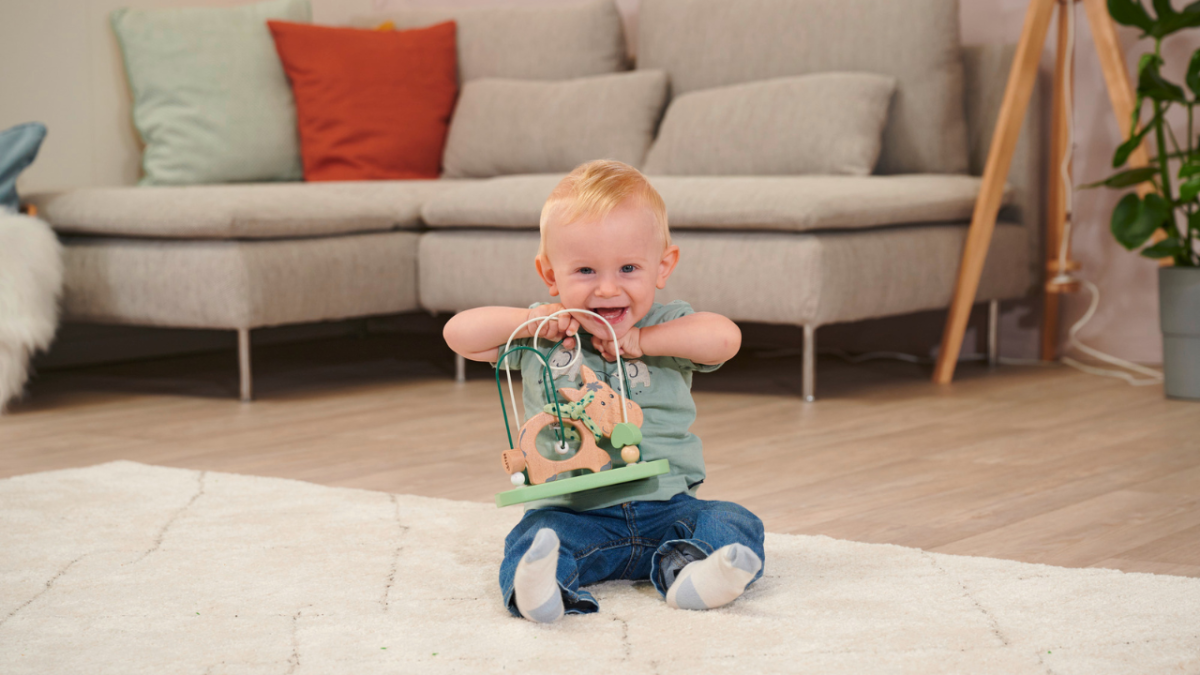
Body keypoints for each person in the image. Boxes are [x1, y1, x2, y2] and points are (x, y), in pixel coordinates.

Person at [443, 159, 765, 622]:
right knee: (535, 536)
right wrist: (530, 321)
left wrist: (645, 341)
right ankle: (542, 589)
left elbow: (725, 338)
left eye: (628, 268)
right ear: (551, 275)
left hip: (669, 510)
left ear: (663, 267)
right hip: (576, 515)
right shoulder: (542, 334)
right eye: (585, 270)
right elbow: (459, 334)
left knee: (733, 520)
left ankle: (692, 575)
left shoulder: (667, 325)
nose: (608, 288)